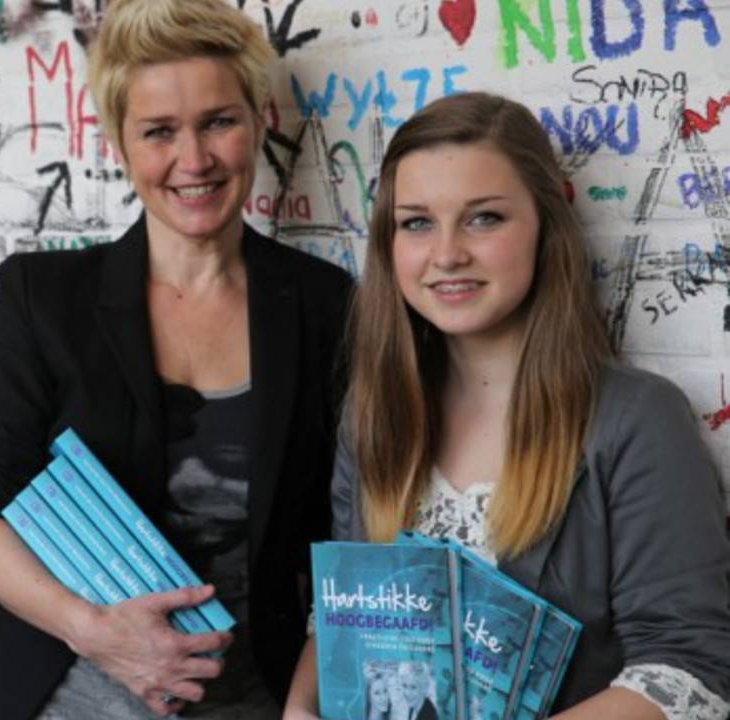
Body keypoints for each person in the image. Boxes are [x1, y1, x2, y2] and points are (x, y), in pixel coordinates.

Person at [0, 0, 353, 718]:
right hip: (60, 695)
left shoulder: (323, 305)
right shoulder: (43, 297)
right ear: (120, 144)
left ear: (257, 121)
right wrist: (95, 632)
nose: (195, 160)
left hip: (252, 700)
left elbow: (349, 535)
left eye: (219, 121)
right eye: (160, 132)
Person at [283, 91, 730, 720]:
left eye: (483, 218)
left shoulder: (636, 421)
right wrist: (301, 709)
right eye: (416, 222)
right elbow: (341, 620)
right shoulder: (373, 415)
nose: (446, 254)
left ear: (545, 226)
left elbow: (687, 670)